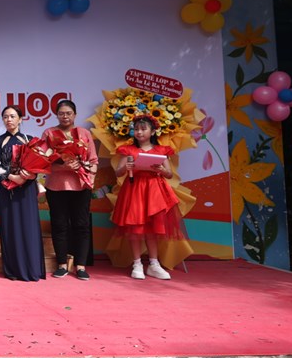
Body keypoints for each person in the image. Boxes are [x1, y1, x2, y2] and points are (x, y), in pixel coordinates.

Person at [110, 115, 190, 280]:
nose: (139, 132)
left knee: (153, 228)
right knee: (135, 227)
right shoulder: (128, 150)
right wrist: (126, 167)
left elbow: (169, 174)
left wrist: (161, 170)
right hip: (134, 190)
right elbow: (118, 172)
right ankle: (137, 263)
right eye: (136, 129)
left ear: (153, 132)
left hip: (154, 192)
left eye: (143, 129)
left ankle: (154, 264)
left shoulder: (161, 150)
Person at [41, 100, 99, 281]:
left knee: (81, 225)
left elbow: (94, 161)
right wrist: (63, 165)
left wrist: (90, 178)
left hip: (81, 186)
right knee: (59, 225)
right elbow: (42, 161)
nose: (65, 116)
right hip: (55, 186)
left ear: (75, 114)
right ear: (56, 115)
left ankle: (80, 265)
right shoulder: (49, 133)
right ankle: (62, 264)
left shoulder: (84, 134)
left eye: (68, 113)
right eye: (61, 113)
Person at [0, 105, 45, 282]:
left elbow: (39, 164)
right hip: (7, 189)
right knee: (10, 227)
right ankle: (13, 269)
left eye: (12, 116)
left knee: (29, 227)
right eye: (5, 117)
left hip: (27, 189)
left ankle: (32, 268)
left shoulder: (29, 139)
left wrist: (29, 176)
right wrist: (13, 177)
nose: (9, 120)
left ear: (20, 119)